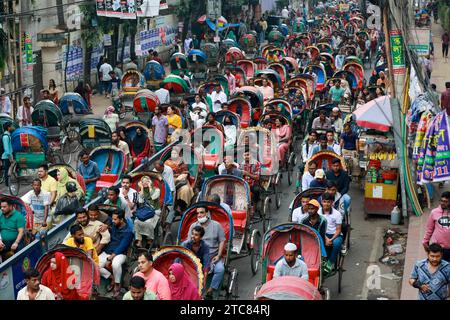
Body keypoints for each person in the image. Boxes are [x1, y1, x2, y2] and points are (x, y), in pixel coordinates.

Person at [188, 206, 226, 299]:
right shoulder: (193, 226)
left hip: (213, 256)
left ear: (207, 213)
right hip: (197, 257)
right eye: (198, 213)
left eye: (201, 212)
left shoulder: (216, 225)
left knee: (220, 270)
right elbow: (189, 242)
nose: (199, 215)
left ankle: (211, 289)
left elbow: (222, 240)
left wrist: (219, 255)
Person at [99, 210, 134, 298]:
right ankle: (112, 278)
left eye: (115, 219)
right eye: (113, 219)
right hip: (108, 250)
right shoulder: (114, 225)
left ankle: (117, 284)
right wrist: (106, 226)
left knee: (115, 264)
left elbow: (122, 246)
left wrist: (111, 257)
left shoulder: (128, 232)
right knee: (94, 264)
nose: (113, 221)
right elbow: (109, 224)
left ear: (121, 219)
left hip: (120, 253)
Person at [164, 148, 195, 213]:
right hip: (171, 180)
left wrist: (183, 176)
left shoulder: (183, 162)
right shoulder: (167, 163)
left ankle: (182, 206)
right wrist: (176, 179)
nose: (174, 155)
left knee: (186, 189)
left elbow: (186, 172)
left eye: (175, 153)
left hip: (183, 180)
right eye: (172, 153)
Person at [134, 175, 161, 248]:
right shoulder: (141, 191)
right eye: (143, 181)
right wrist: (142, 188)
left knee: (148, 222)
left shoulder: (156, 190)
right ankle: (139, 240)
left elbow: (153, 197)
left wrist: (149, 187)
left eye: (147, 181)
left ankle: (150, 240)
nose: (145, 182)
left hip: (155, 210)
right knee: (136, 221)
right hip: (144, 211)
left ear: (150, 182)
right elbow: (140, 201)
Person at [423, 192, 450, 262]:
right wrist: (425, 241)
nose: (442, 203)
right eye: (441, 201)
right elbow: (429, 229)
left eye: (446, 201)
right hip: (439, 248)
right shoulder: (434, 212)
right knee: (439, 269)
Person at [319, 192, 343, 269]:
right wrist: (325, 238)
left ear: (332, 202)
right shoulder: (318, 212)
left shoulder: (337, 214)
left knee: (336, 243)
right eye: (324, 201)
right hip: (322, 234)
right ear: (321, 202)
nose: (326, 204)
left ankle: (330, 263)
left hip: (334, 235)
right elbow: (318, 227)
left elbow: (338, 230)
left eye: (328, 202)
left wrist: (331, 239)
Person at [2, 122, 14, 187]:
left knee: (8, 170)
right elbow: (7, 149)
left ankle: (8, 184)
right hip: (7, 157)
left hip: (8, 156)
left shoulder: (8, 135)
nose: (12, 127)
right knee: (7, 171)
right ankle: (7, 185)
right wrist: (10, 158)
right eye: (11, 126)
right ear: (8, 127)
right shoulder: (6, 137)